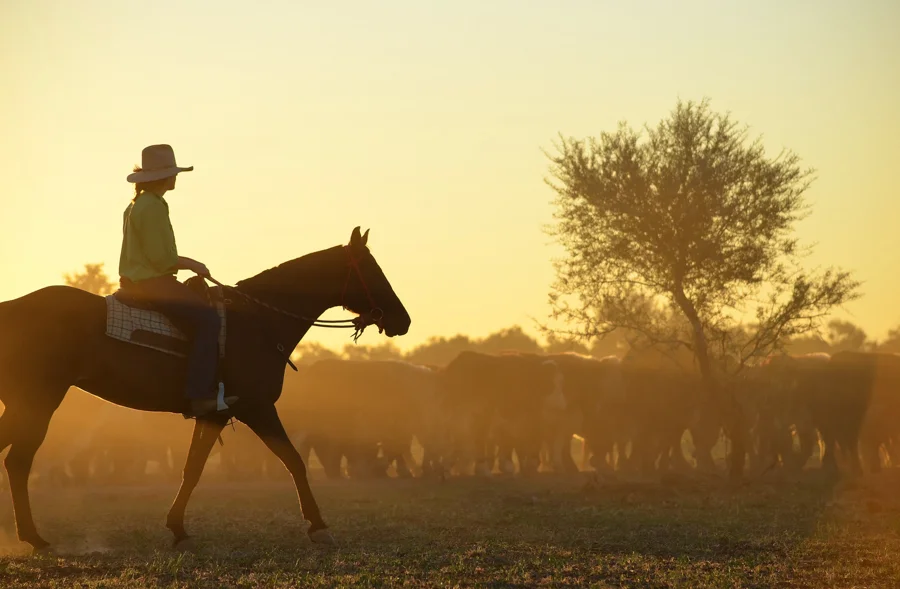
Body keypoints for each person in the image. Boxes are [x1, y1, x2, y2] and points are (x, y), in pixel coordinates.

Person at [118, 144, 237, 417]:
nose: (175, 177)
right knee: (208, 321)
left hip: (137, 281)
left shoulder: (137, 204)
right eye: (172, 172)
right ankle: (199, 395)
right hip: (152, 283)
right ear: (163, 176)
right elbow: (162, 259)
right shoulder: (153, 207)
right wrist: (193, 264)